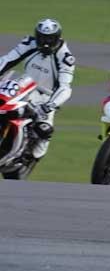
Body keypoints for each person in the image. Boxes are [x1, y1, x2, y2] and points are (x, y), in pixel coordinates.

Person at [0, 19, 75, 174]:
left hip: (46, 98)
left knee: (45, 131)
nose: (45, 42)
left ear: (57, 38)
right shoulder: (30, 43)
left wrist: (51, 105)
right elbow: (7, 60)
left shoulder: (65, 57)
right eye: (42, 38)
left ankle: (30, 160)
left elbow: (65, 88)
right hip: (23, 86)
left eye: (49, 39)